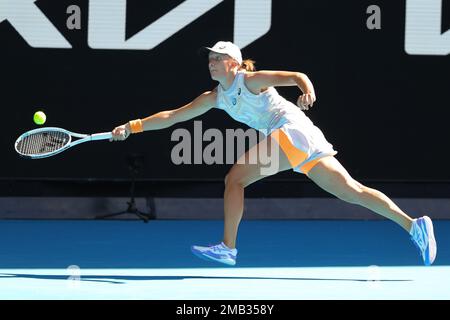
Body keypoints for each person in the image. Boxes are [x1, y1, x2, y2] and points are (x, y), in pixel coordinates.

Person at [111, 41, 437, 267]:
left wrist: (306, 91)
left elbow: (295, 76)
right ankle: (414, 226)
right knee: (353, 192)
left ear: (234, 64)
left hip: (292, 130)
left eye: (217, 58)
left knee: (235, 178)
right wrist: (132, 125)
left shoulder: (250, 81)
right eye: (209, 58)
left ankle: (227, 248)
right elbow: (173, 116)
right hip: (301, 139)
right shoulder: (215, 97)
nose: (211, 62)